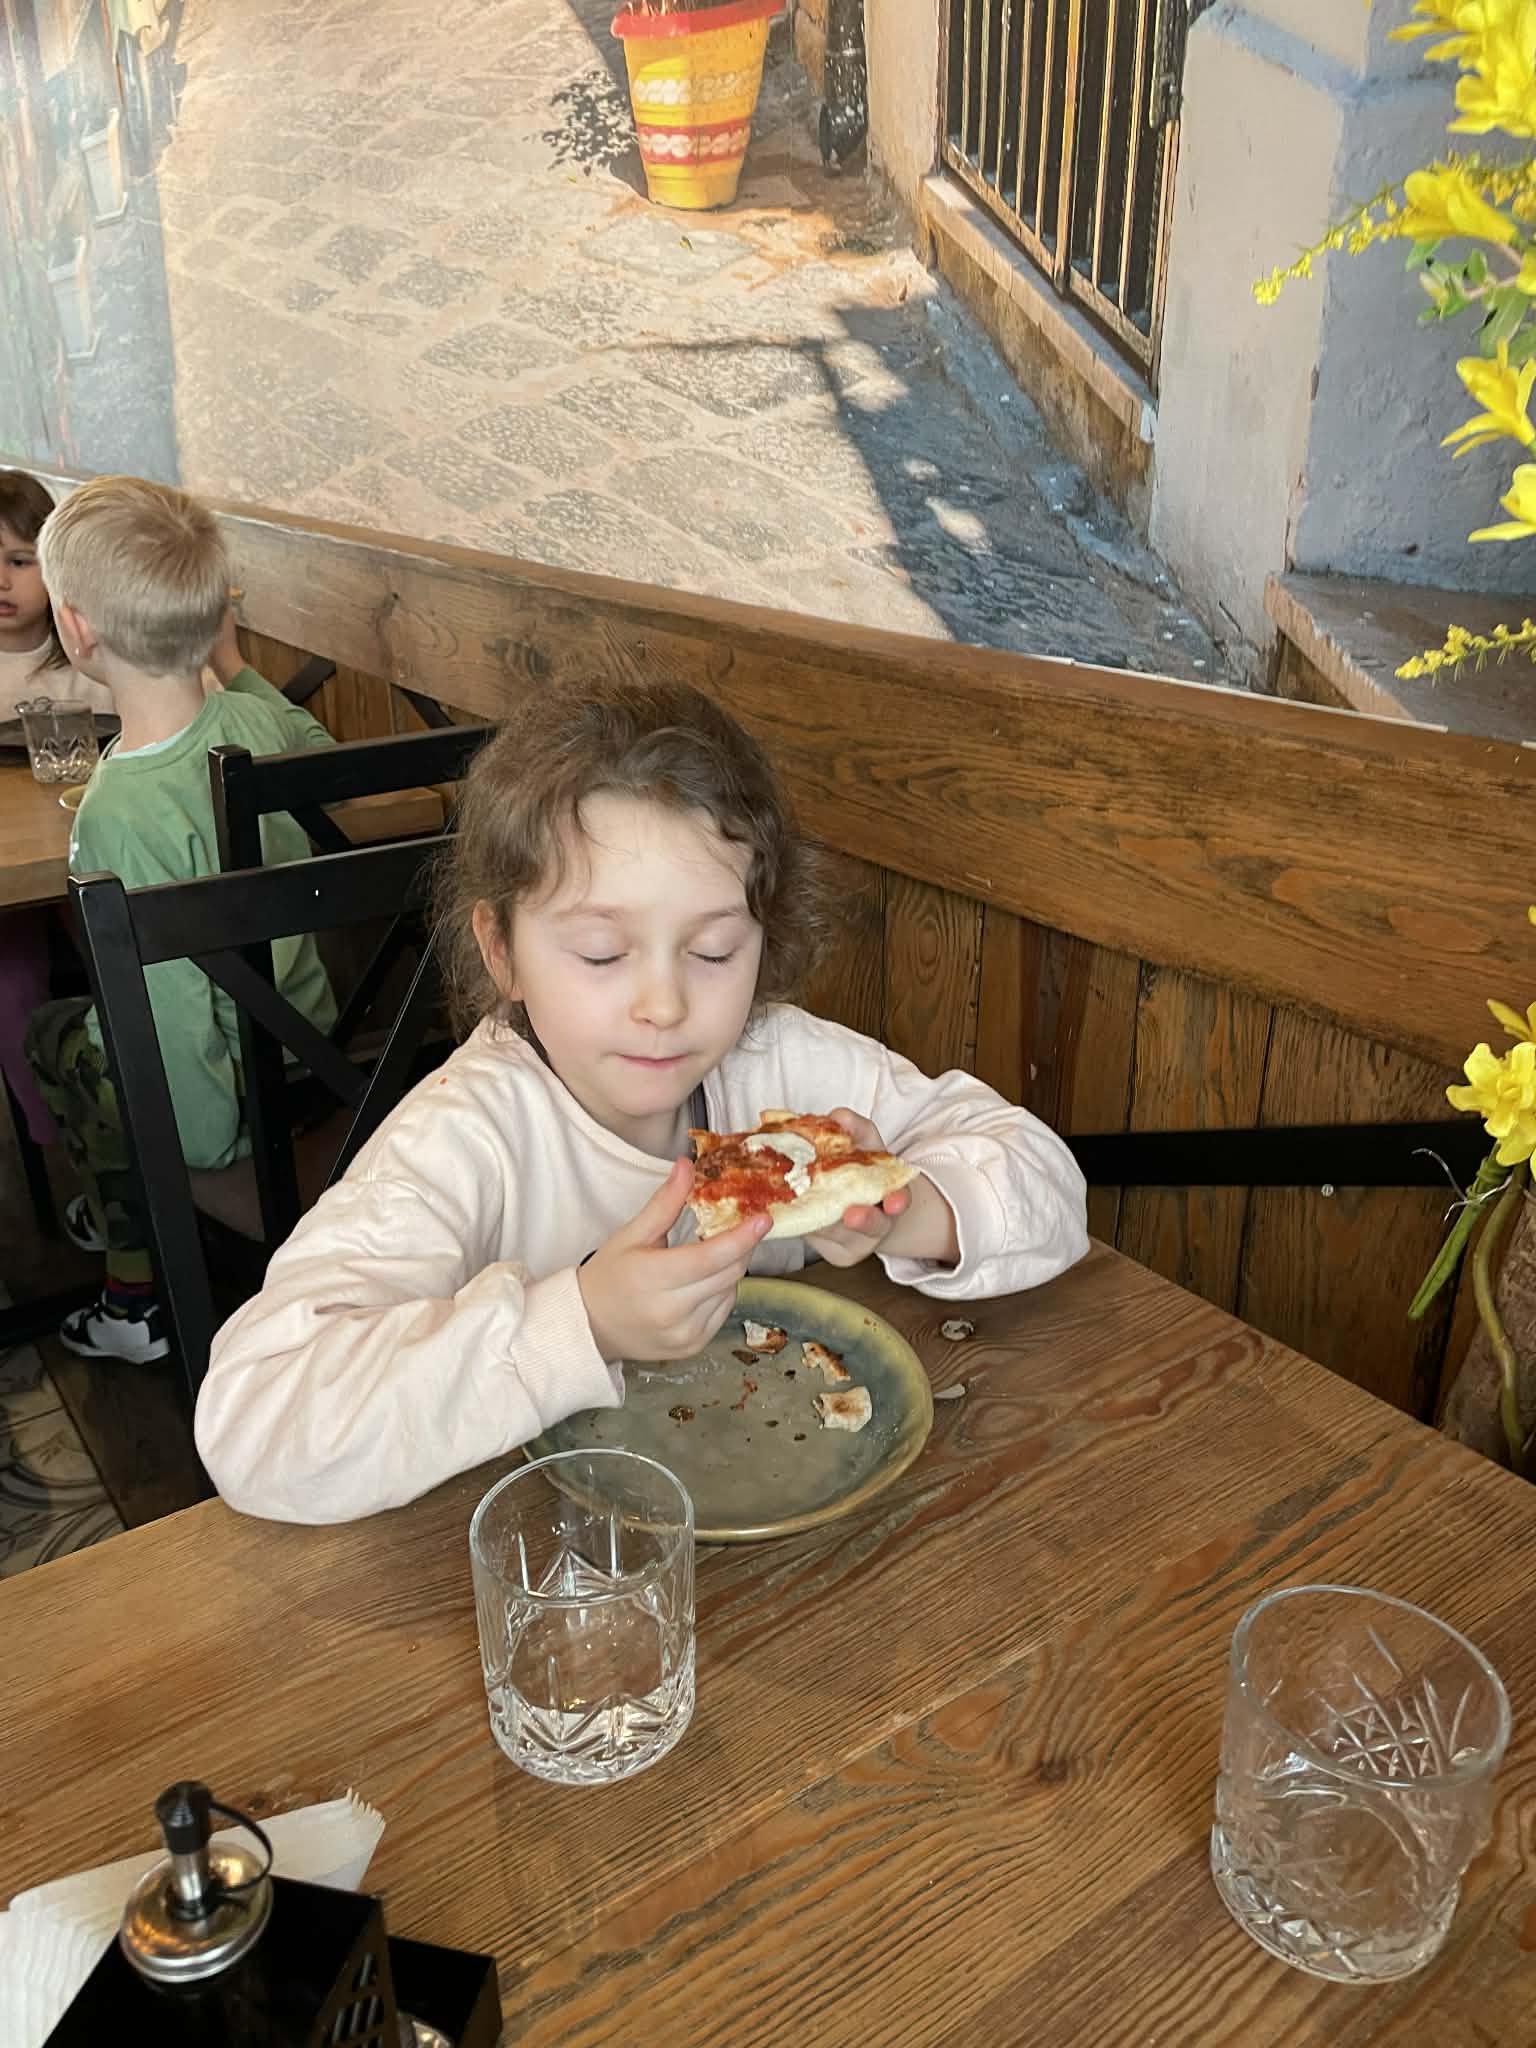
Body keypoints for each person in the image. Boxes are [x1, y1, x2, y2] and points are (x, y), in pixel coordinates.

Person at [195, 678, 1089, 1524]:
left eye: (712, 952)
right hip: (554, 1566)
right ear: (502, 952)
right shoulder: (466, 1138)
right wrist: (579, 1322)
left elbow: (1050, 1182)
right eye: (601, 953)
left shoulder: (777, 1066)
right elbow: (252, 1422)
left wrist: (910, 1213)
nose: (664, 1005)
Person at [24, 475, 337, 1363]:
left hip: (221, 1093)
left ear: (76, 628)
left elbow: (169, 1022)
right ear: (212, 618)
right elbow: (321, 753)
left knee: (56, 1037)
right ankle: (130, 1196)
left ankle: (137, 1282)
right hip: (313, 1038)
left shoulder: (115, 814)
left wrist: (196, 1161)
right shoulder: (256, 724)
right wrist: (232, 664)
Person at [0, 470, 116, 1150]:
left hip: (91, 844)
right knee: (11, 976)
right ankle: (56, 1145)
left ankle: (124, 1110)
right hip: (12, 871)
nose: (2, 581)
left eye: (19, 562)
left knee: (118, 944)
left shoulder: (86, 658)